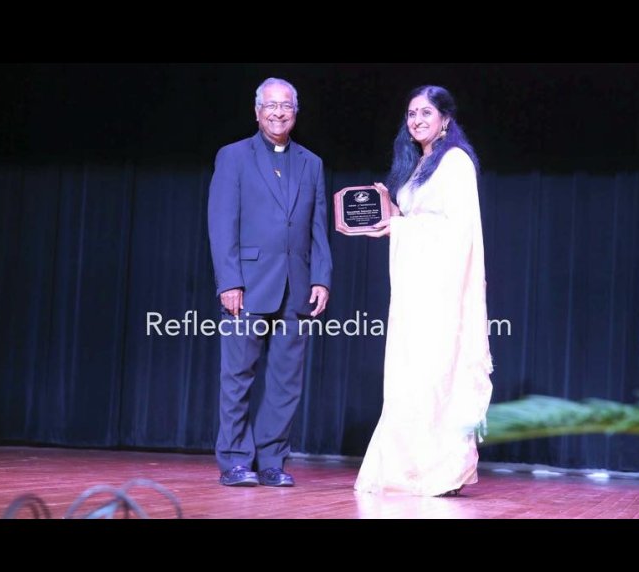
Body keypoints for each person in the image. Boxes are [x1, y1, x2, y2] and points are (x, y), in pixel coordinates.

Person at [354, 85, 493, 497]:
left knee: (435, 375)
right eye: (411, 113)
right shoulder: (420, 165)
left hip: (440, 293)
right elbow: (420, 218)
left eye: (426, 113)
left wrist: (399, 226)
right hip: (413, 290)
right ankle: (407, 469)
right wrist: (390, 212)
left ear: (445, 119)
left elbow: (456, 232)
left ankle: (441, 471)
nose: (416, 120)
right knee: (407, 377)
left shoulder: (454, 162)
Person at [208, 77, 332, 488]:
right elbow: (222, 223)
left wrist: (321, 278)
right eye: (271, 105)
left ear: (296, 112)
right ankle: (235, 460)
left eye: (286, 106)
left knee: (285, 382)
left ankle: (272, 460)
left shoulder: (311, 163)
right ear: (257, 110)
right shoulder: (233, 156)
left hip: (297, 287)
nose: (279, 113)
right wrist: (229, 281)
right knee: (237, 377)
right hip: (247, 285)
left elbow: (318, 228)